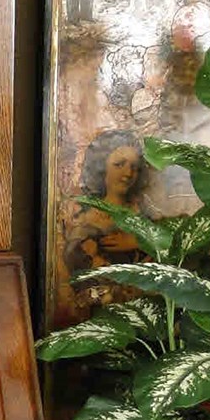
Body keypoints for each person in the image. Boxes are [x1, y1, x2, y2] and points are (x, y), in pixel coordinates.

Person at [62, 129, 149, 301]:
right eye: (119, 164)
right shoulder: (83, 216)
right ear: (101, 166)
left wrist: (138, 242)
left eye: (135, 167)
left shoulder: (143, 213)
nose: (128, 173)